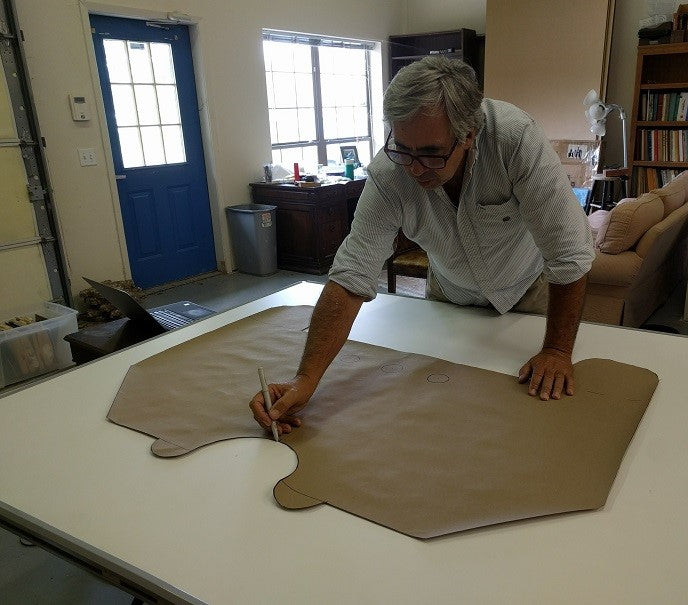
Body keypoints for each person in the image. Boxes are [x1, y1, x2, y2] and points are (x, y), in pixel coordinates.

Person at [251, 56, 594, 435]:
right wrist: (306, 379)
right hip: (450, 296)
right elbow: (351, 277)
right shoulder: (389, 174)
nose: (413, 168)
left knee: (527, 425)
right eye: (403, 148)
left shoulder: (515, 141)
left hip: (529, 293)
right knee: (446, 413)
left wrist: (558, 351)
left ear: (469, 135)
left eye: (431, 152)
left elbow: (568, 253)